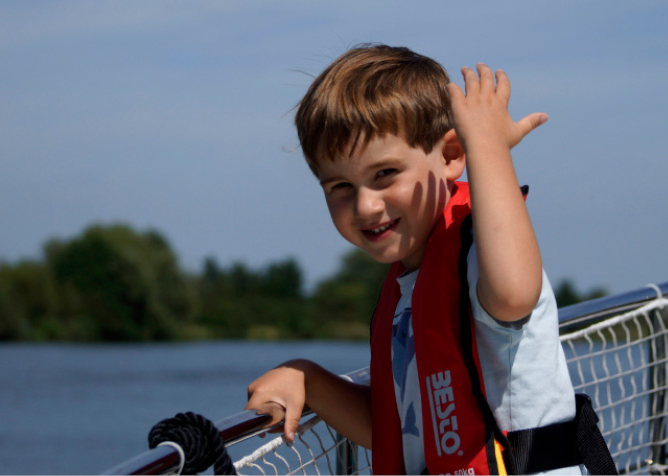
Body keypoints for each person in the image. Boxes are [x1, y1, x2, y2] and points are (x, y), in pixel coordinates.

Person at [245, 44, 612, 475]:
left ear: (452, 156)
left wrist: (489, 150)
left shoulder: (477, 256)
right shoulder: (407, 290)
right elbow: (396, 430)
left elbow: (515, 294)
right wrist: (309, 378)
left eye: (385, 174)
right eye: (340, 186)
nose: (365, 206)